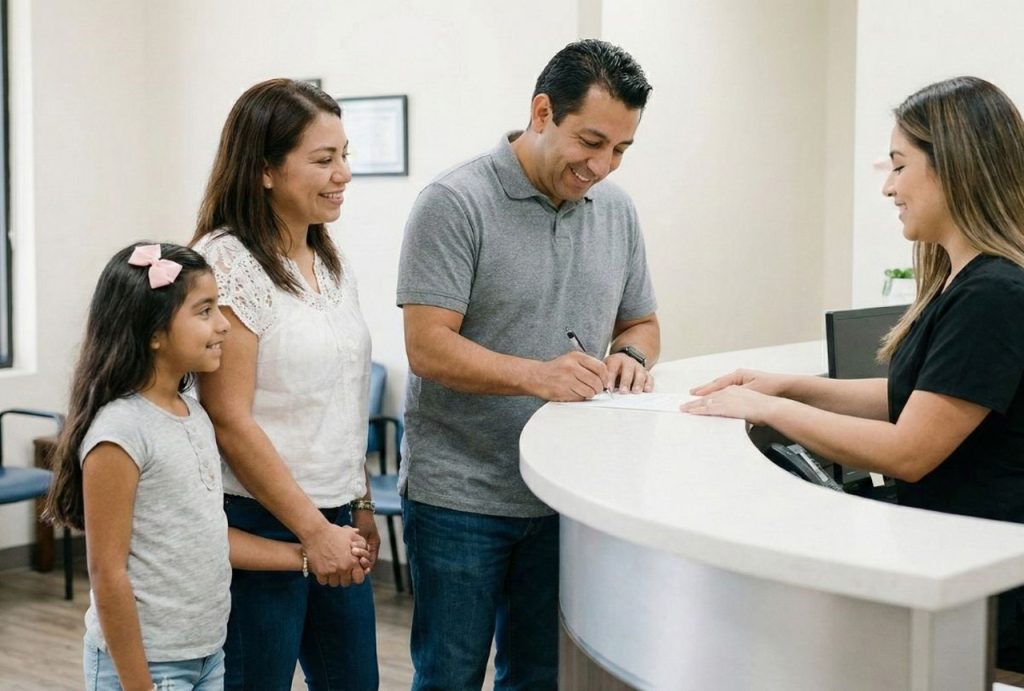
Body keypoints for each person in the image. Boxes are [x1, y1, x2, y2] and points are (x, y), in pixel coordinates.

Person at [682, 76, 1024, 672]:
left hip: (985, 584)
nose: (890, 187)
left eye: (899, 165)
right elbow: (914, 399)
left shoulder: (994, 293)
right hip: (954, 562)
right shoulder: (963, 279)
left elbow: (910, 449)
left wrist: (772, 411)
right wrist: (789, 385)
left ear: (954, 165)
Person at [397, 39, 661, 689]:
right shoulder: (453, 203)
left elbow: (643, 322)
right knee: (450, 675)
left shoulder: (618, 211)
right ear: (542, 112)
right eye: (591, 141)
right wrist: (536, 374)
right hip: (460, 496)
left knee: (540, 675)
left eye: (621, 149)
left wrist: (629, 355)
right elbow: (427, 345)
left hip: (563, 495)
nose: (603, 165)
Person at [44, 243, 366, 691]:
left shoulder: (193, 416)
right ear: (154, 331)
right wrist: (139, 685)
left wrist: (306, 555)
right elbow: (107, 575)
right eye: (205, 311)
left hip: (206, 658)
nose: (223, 326)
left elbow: (209, 533)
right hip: (149, 668)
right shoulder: (120, 433)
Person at [191, 79, 379, 690]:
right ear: (265, 169)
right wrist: (313, 530)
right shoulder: (226, 262)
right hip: (260, 515)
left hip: (334, 512)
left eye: (345, 155)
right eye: (324, 160)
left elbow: (341, 396)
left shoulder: (330, 260)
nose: (343, 173)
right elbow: (229, 417)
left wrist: (356, 505)